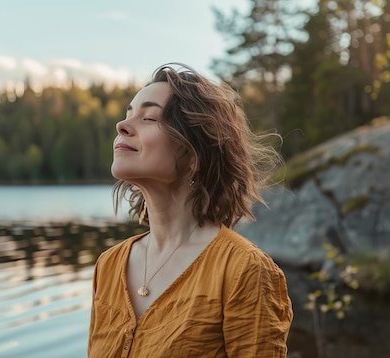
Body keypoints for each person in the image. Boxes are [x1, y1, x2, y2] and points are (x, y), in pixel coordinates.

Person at [88, 63, 293, 357]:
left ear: (194, 153)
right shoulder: (108, 265)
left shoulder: (243, 271)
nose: (122, 126)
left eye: (148, 117)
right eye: (127, 114)